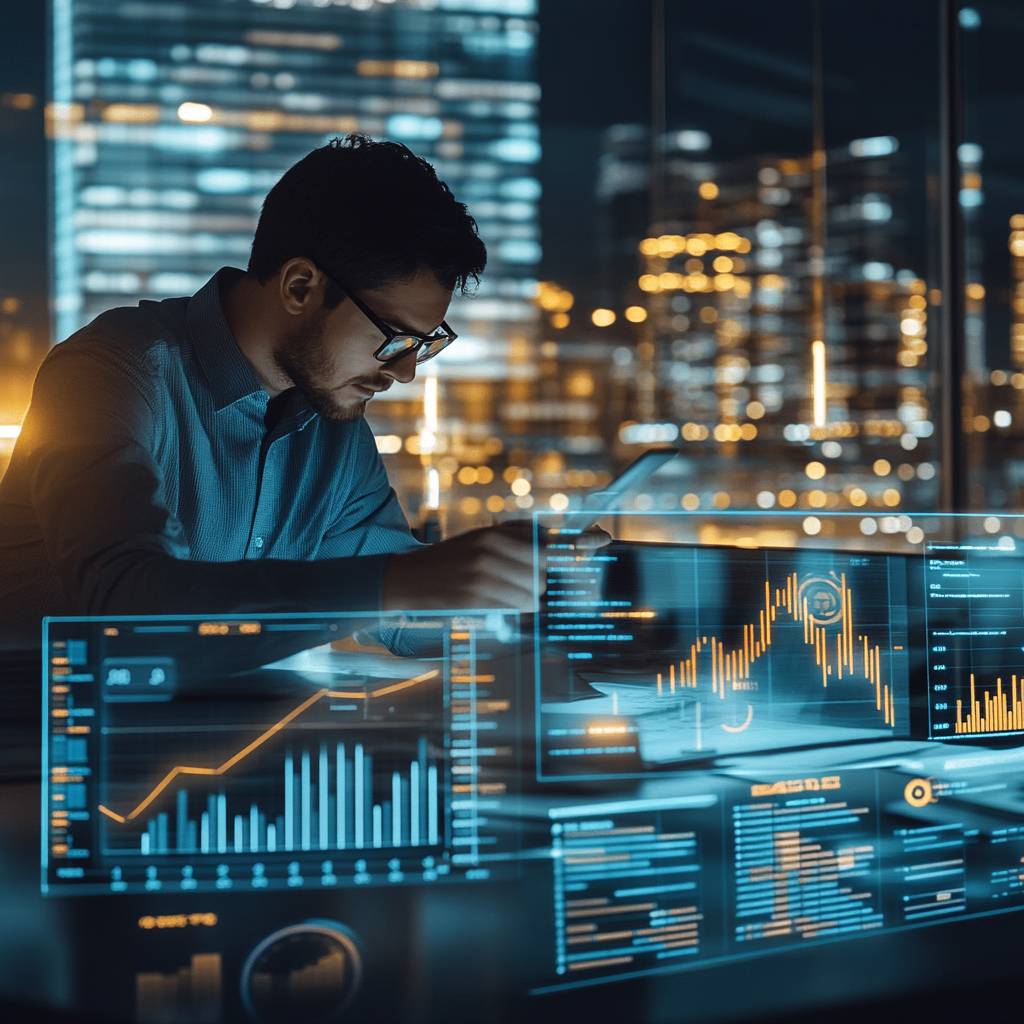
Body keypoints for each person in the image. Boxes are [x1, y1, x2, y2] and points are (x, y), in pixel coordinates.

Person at [0, 135, 604, 653]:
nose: (405, 373)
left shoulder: (331, 428)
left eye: (425, 344)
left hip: (206, 754)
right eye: (395, 338)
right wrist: (402, 582)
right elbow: (129, 605)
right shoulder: (112, 371)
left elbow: (405, 615)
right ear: (298, 286)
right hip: (41, 756)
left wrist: (533, 587)